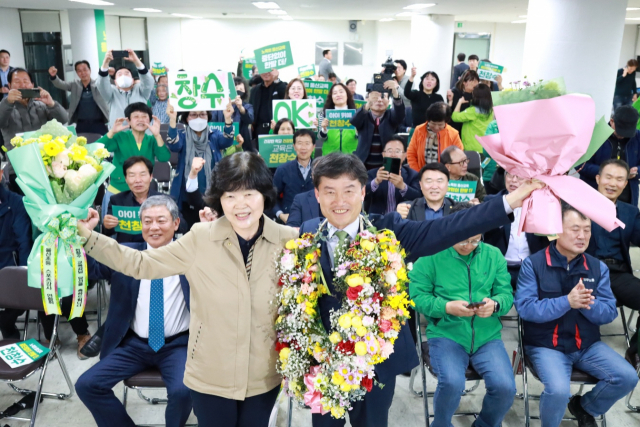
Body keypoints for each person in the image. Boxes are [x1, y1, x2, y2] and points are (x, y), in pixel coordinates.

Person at [299, 152, 543, 427]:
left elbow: (449, 228)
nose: (339, 201)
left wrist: (509, 201)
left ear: (363, 192)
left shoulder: (388, 230)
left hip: (375, 361)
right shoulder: (306, 234)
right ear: (317, 195)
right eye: (329, 191)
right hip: (325, 359)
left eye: (348, 190)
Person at [76, 152, 299, 427]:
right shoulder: (201, 238)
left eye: (249, 194)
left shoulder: (290, 241)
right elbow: (140, 263)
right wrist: (86, 236)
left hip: (262, 375)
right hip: (210, 374)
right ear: (219, 200)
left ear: (265, 195)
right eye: (230, 196)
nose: (240, 205)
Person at [515, 202, 638, 427]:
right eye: (575, 229)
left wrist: (587, 304)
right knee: (558, 390)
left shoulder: (597, 267)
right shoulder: (534, 264)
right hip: (545, 345)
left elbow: (609, 312)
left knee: (628, 377)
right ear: (557, 231)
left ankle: (584, 407)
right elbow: (526, 309)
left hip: (587, 345)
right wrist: (567, 302)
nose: (582, 236)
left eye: (587, 229)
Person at [76, 195, 193, 427]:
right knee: (87, 385)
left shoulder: (190, 256)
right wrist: (84, 234)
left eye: (161, 220)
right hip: (134, 345)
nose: (154, 227)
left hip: (177, 345)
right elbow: (90, 269)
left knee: (183, 391)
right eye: (147, 221)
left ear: (176, 223)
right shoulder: (124, 254)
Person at [409, 202, 516, 427]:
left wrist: (495, 305)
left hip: (487, 337)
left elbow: (506, 294)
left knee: (506, 387)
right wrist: (446, 307)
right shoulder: (430, 254)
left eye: (475, 239)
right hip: (447, 334)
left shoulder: (493, 255)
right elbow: (417, 297)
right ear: (450, 230)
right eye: (463, 239)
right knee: (452, 383)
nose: (469, 245)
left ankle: (485, 424)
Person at [586, 159, 640, 356]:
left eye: (619, 179)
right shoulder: (578, 207)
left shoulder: (630, 212)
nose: (613, 183)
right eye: (608, 177)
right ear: (598, 179)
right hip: (584, 271)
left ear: (625, 184)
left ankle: (635, 354)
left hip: (617, 273)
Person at [0, 67, 69, 193]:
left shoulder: (42, 105)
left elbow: (64, 119)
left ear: (32, 85)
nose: (22, 85)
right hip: (18, 169)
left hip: (45, 167)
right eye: (17, 81)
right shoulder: (5, 106)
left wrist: (51, 103)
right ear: (9, 85)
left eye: (26, 81)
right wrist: (8, 102)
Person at [95, 102, 170, 218]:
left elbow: (164, 157)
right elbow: (96, 150)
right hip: (117, 191)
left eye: (144, 117)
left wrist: (157, 135)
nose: (140, 120)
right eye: (136, 117)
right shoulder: (120, 137)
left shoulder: (152, 140)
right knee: (111, 231)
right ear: (128, 121)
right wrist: (112, 132)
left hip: (142, 195)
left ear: (150, 120)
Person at [167, 102, 235, 227]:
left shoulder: (214, 135)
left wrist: (228, 118)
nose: (198, 118)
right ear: (186, 118)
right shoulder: (182, 136)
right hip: (187, 196)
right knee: (192, 229)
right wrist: (172, 119)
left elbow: (227, 141)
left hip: (213, 193)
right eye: (193, 115)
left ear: (208, 117)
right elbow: (174, 145)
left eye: (202, 114)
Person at [484, 171, 549, 288]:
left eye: (519, 176)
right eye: (509, 175)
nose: (513, 180)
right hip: (500, 268)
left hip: (530, 267)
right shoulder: (491, 202)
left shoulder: (540, 204)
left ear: (530, 181)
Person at [103, 156, 188, 243]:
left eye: (143, 174)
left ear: (151, 177)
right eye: (132, 175)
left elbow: (183, 226)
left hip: (157, 249)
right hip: (128, 251)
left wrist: (168, 220)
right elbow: (107, 232)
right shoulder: (117, 201)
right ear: (126, 179)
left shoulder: (167, 201)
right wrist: (107, 225)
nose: (138, 180)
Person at [580, 105, 640, 206]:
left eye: (627, 133)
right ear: (612, 121)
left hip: (626, 196)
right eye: (620, 131)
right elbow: (580, 165)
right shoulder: (594, 135)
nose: (622, 136)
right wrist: (605, 173)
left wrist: (637, 171)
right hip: (593, 192)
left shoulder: (637, 137)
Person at [0, 164, 33, 340]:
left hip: (8, 267)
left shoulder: (16, 202)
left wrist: (23, 274)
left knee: (18, 300)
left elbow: (23, 242)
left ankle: (6, 325)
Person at [351, 80, 405, 170]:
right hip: (363, 165)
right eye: (376, 97)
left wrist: (395, 93)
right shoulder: (363, 115)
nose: (379, 100)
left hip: (388, 165)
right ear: (367, 100)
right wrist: (367, 105)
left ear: (388, 101)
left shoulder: (391, 115)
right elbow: (354, 121)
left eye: (383, 97)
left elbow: (400, 115)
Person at [98, 49, 154, 129]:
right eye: (119, 74)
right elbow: (102, 84)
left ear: (133, 80)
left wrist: (136, 61)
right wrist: (105, 63)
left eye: (127, 73)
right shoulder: (111, 93)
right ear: (115, 82)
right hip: (118, 135)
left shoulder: (140, 90)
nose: (123, 76)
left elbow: (148, 81)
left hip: (142, 133)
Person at [365, 135, 421, 214]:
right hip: (378, 221)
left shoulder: (413, 175)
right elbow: (361, 194)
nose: (393, 155)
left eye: (397, 151)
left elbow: (419, 197)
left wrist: (403, 187)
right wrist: (376, 182)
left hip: (403, 221)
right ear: (383, 154)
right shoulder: (372, 174)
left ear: (404, 155)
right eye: (389, 151)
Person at [48, 61, 109, 134]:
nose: (83, 73)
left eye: (85, 69)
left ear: (90, 70)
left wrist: (110, 75)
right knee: (81, 144)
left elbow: (109, 83)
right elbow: (60, 84)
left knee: (102, 143)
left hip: (99, 123)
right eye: (79, 71)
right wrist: (53, 76)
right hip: (81, 124)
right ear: (76, 73)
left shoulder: (98, 84)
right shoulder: (74, 85)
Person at [273, 129, 315, 224]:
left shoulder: (321, 170)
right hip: (289, 221)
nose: (303, 147)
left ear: (313, 147)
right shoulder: (282, 170)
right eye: (299, 143)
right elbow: (272, 196)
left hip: (315, 222)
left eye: (307, 143)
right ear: (294, 146)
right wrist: (280, 214)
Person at [406, 102, 463, 171]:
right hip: (421, 174)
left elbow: (459, 158)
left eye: (440, 125)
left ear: (446, 121)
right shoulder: (419, 130)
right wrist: (417, 173)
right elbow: (411, 154)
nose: (436, 127)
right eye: (433, 123)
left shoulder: (453, 134)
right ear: (428, 120)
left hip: (444, 176)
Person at [212, 78, 254, 151]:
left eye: (241, 89)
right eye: (235, 88)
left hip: (241, 145)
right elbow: (212, 122)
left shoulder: (247, 106)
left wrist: (241, 108)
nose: (238, 91)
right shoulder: (219, 107)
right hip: (221, 144)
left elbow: (250, 119)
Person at [452, 83, 495, 153]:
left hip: (471, 149)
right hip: (486, 148)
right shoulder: (491, 111)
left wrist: (459, 102)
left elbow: (455, 117)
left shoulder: (473, 111)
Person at [318, 82, 358, 155]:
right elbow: (321, 138)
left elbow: (361, 138)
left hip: (351, 157)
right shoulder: (324, 114)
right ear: (331, 97)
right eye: (335, 93)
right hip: (329, 158)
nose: (338, 95)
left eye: (341, 92)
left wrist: (358, 130)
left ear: (347, 95)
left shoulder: (356, 114)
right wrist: (324, 129)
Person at [249, 69, 287, 139]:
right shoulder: (254, 90)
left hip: (277, 129)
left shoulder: (281, 87)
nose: (266, 73)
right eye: (264, 70)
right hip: (259, 130)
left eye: (269, 70)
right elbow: (251, 107)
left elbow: (285, 95)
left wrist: (276, 80)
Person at [447, 70, 479, 135]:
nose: (475, 83)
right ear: (464, 82)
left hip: (468, 129)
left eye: (476, 81)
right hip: (454, 127)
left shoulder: (476, 94)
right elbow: (453, 111)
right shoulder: (455, 92)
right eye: (472, 81)